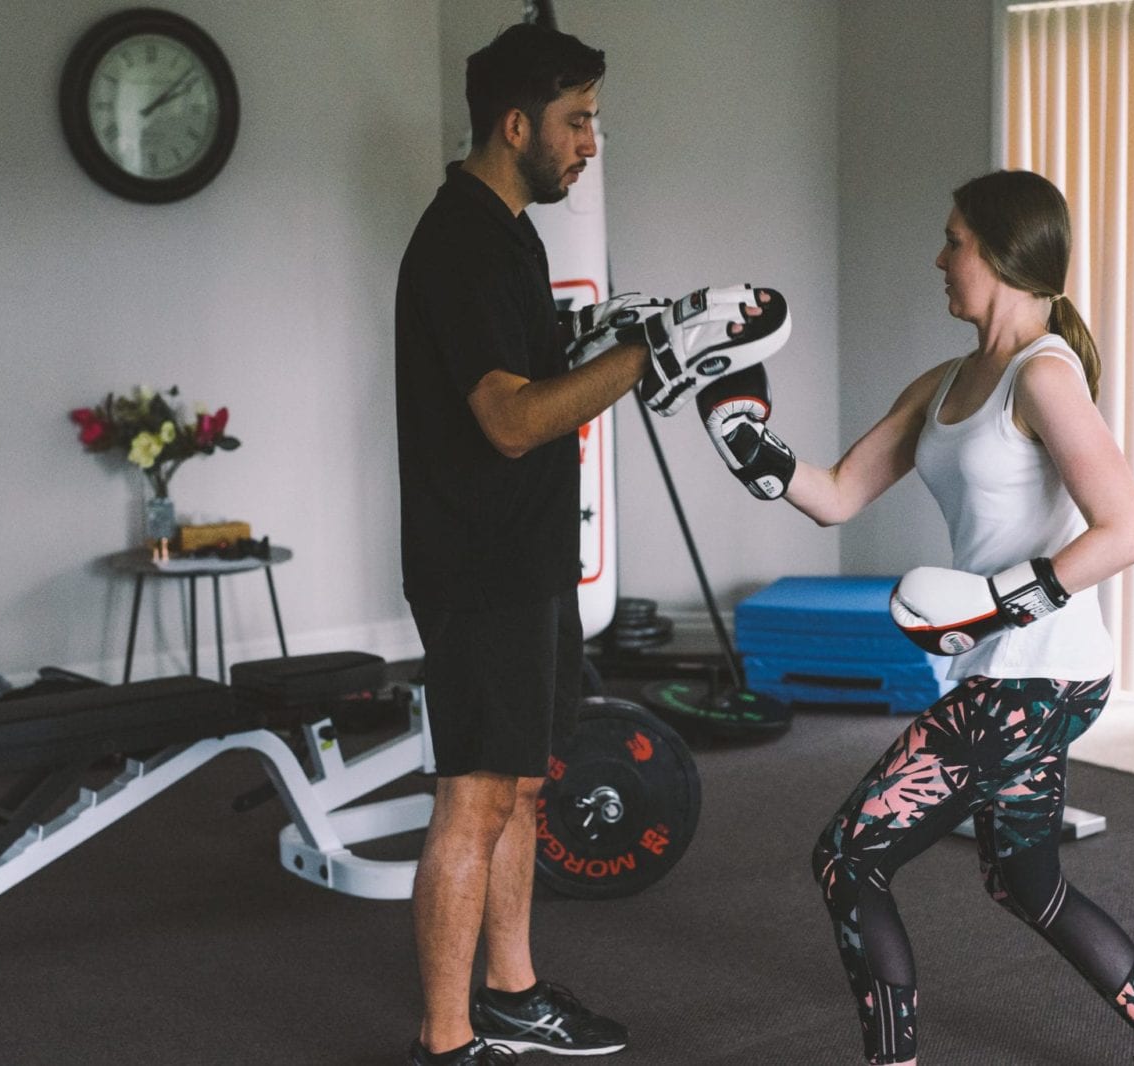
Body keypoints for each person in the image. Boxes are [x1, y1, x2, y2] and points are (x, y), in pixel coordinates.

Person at [697, 170, 1134, 1065]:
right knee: (1025, 881)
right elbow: (836, 496)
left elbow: (1127, 530)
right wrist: (749, 442)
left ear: (1007, 255)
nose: (939, 259)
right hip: (1006, 671)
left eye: (956, 241)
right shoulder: (946, 382)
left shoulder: (1043, 376)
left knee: (848, 861)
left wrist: (996, 600)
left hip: (1036, 674)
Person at [395, 23, 784, 1066]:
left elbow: (536, 374)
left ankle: (512, 994)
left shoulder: (511, 230)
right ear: (514, 123)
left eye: (594, 120)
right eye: (577, 121)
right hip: (478, 563)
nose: (590, 142)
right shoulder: (464, 239)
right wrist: (650, 350)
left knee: (521, 784)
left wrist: (617, 336)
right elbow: (511, 419)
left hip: (524, 555)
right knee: (474, 795)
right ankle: (445, 1039)